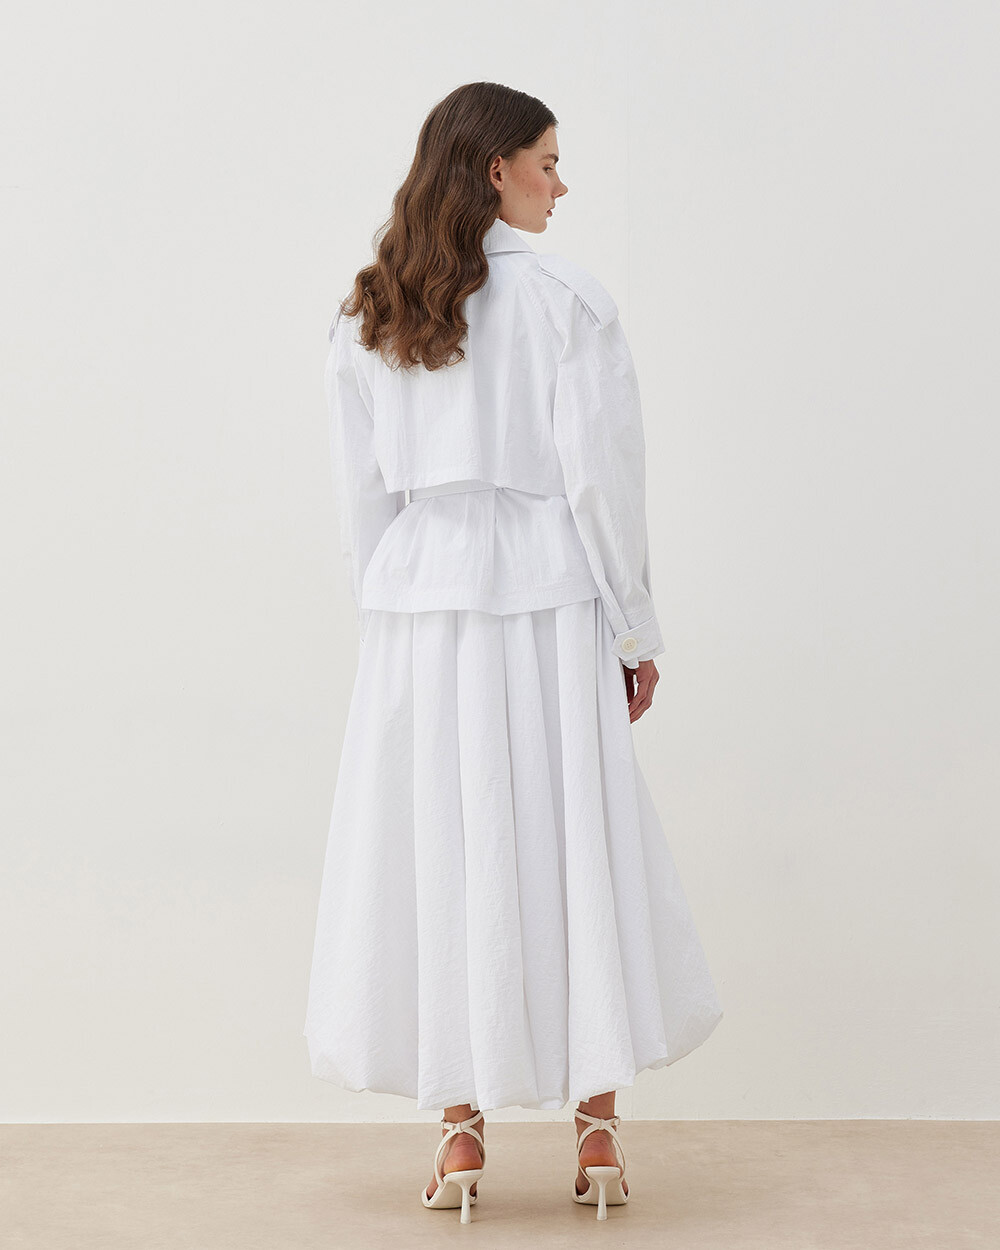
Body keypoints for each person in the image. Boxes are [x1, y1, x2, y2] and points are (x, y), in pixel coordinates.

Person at [302, 81, 723, 1223]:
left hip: (420, 608)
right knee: (572, 834)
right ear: (496, 170)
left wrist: (389, 617)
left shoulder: (371, 309)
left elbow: (360, 499)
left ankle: (459, 1141)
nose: (560, 183)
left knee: (446, 843)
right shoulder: (569, 301)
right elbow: (602, 484)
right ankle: (597, 1132)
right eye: (546, 161)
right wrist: (635, 629)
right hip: (545, 595)